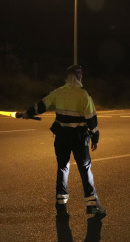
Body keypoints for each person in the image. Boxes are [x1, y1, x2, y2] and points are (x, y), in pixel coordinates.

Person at [17, 65, 106, 216]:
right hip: (79, 139)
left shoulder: (58, 93)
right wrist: (95, 137)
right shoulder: (83, 95)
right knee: (84, 169)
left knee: (63, 168)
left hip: (61, 138)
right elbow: (92, 120)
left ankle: (61, 205)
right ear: (79, 78)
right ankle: (92, 205)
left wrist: (27, 113)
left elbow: (41, 105)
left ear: (66, 78)